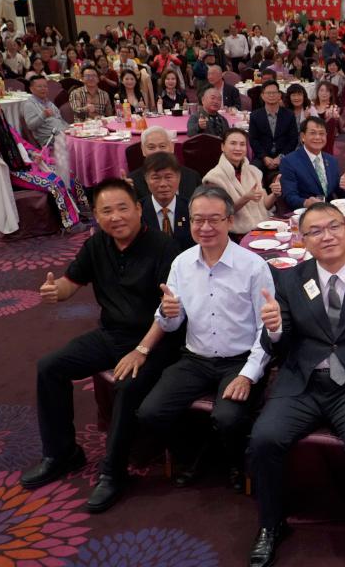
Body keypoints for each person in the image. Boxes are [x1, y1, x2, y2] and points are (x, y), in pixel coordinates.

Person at [248, 202, 345, 567]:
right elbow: (279, 345)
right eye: (315, 231)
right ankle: (271, 525)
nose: (327, 236)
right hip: (303, 383)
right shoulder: (290, 279)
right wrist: (275, 329)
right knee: (263, 439)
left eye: (334, 226)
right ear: (304, 240)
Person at [21, 178, 182, 513]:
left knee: (127, 384)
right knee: (50, 367)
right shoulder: (97, 244)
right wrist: (55, 291)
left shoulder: (164, 247)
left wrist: (141, 350)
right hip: (111, 334)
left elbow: (169, 313)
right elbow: (70, 283)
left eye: (123, 208)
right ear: (95, 215)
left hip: (156, 340)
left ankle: (113, 472)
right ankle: (62, 453)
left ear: (138, 208)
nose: (116, 217)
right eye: (106, 211)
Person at [138, 185, 274, 493]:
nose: (205, 227)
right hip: (195, 359)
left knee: (227, 417)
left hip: (239, 360)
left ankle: (237, 462)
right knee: (150, 412)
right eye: (198, 220)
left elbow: (265, 330)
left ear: (229, 220)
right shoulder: (182, 263)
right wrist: (167, 313)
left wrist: (248, 375)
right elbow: (172, 323)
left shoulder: (253, 266)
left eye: (214, 219)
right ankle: (195, 455)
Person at [0, 82, 87, 232]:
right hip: (10, 173)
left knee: (69, 173)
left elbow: (22, 144)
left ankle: (80, 210)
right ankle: (70, 223)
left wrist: (34, 153)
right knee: (54, 181)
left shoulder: (5, 125)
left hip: (26, 164)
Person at [202, 129, 280, 235]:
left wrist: (274, 194)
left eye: (242, 144)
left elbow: (265, 206)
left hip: (263, 228)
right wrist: (246, 198)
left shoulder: (254, 171)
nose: (238, 148)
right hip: (237, 234)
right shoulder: (213, 178)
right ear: (222, 147)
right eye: (233, 143)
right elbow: (221, 213)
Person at [279, 116, 345, 210]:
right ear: (303, 137)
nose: (318, 137)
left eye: (321, 133)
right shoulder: (289, 161)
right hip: (306, 212)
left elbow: (339, 194)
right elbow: (289, 196)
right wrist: (306, 202)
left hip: (329, 211)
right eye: (312, 133)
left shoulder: (331, 160)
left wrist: (344, 187)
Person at [139, 152, 195, 252]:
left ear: (179, 177)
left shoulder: (191, 208)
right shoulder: (138, 211)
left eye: (168, 177)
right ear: (146, 179)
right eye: (156, 178)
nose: (163, 184)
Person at [128, 126, 202, 201]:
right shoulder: (133, 181)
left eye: (162, 146)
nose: (157, 151)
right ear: (143, 150)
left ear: (172, 147)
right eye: (151, 147)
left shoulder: (192, 177)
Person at [249, 80, 299, 184]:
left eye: (274, 92)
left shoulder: (289, 115)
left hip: (284, 156)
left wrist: (281, 157)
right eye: (268, 93)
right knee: (252, 171)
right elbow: (253, 140)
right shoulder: (255, 115)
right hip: (262, 157)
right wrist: (264, 157)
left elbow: (293, 140)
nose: (271, 95)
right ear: (262, 96)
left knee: (292, 172)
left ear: (279, 95)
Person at [22, 74, 69, 147]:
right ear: (31, 89)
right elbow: (30, 126)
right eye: (39, 86)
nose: (43, 89)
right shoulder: (29, 105)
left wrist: (69, 128)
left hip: (62, 134)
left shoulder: (49, 103)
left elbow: (60, 120)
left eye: (45, 86)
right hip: (49, 139)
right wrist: (43, 115)